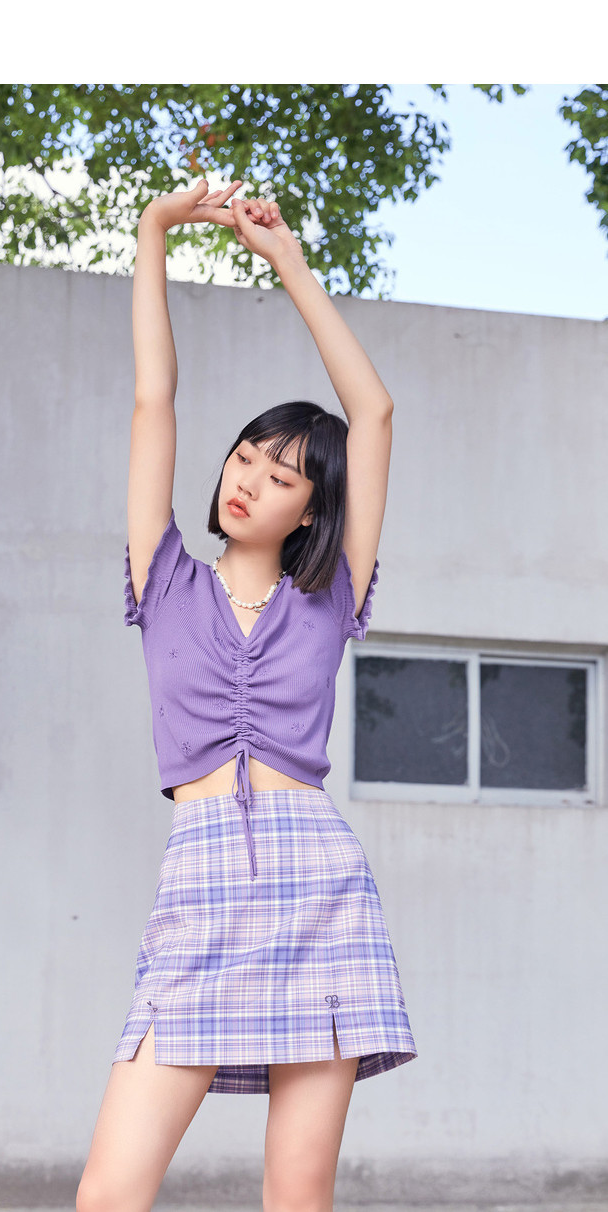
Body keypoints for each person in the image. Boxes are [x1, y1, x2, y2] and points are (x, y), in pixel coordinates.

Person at [77, 179, 417, 1212]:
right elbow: (154, 401)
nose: (246, 481)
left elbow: (372, 412)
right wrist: (153, 233)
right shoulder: (165, 578)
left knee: (296, 1194)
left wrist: (289, 265)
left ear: (313, 508)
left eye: (280, 476)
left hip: (320, 887)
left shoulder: (333, 592)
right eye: (243, 458)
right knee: (109, 1194)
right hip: (202, 878)